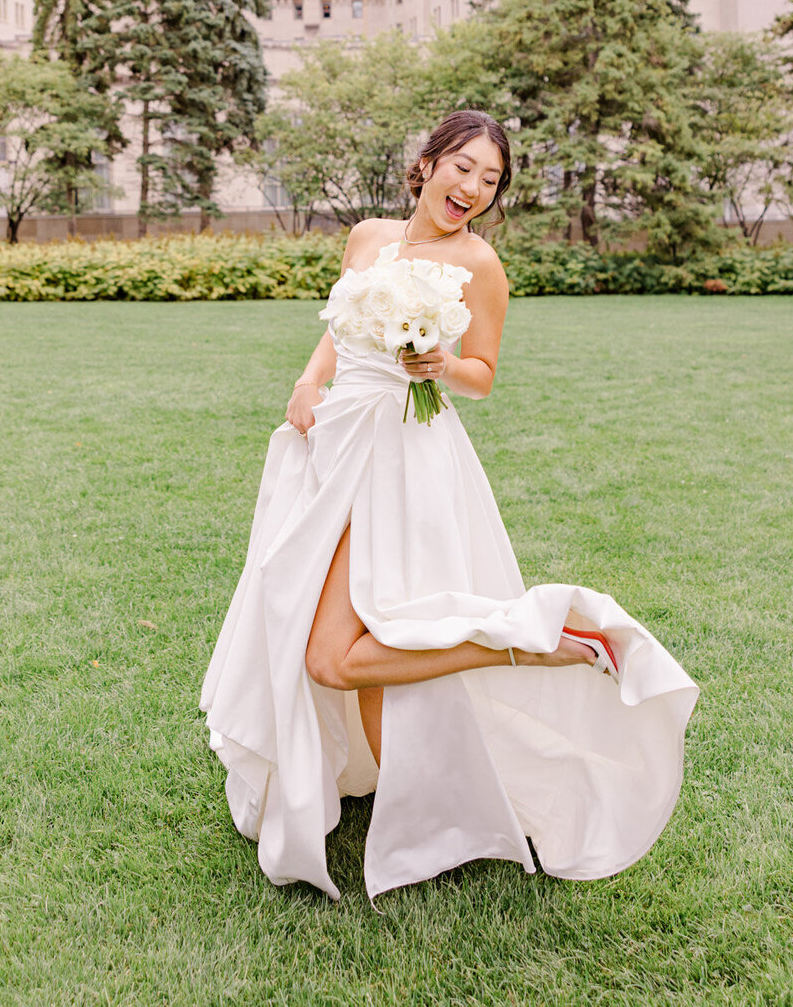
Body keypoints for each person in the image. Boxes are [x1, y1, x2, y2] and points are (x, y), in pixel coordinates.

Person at [200, 110, 698, 901]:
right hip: (335, 448)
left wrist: (441, 364)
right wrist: (306, 380)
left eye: (490, 179)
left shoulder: (481, 263)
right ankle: (432, 783)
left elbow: (485, 373)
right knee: (349, 652)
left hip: (406, 457)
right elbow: (341, 324)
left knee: (338, 650)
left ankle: (528, 646)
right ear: (427, 163)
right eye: (463, 167)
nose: (472, 188)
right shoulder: (367, 235)